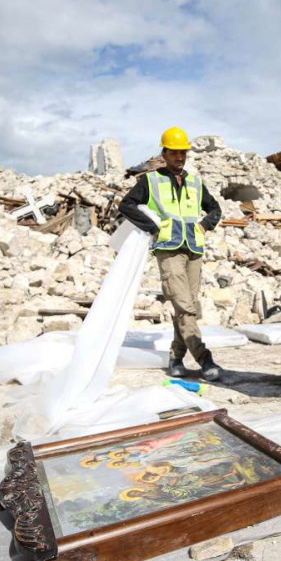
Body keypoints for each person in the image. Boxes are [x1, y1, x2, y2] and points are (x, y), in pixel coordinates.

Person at [119, 126, 224, 381]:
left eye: (183, 153)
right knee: (185, 306)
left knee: (186, 307)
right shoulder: (150, 181)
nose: (180, 158)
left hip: (194, 250)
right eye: (174, 153)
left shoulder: (195, 182)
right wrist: (153, 228)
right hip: (168, 249)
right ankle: (204, 358)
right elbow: (127, 205)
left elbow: (215, 209)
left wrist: (204, 225)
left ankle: (176, 358)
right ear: (164, 153)